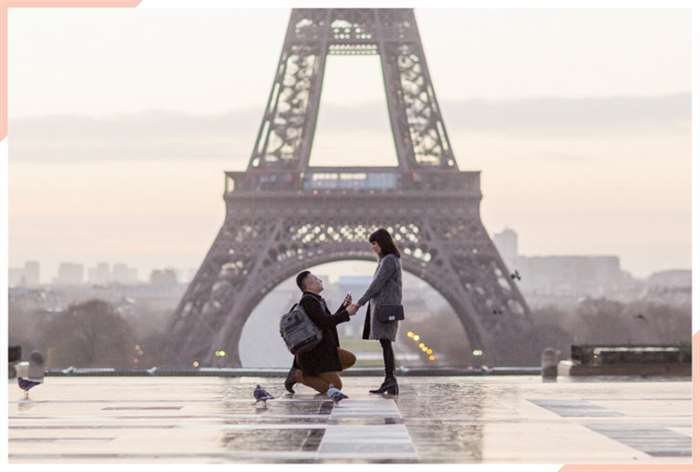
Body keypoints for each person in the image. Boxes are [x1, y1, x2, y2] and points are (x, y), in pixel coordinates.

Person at [284, 271, 358, 399]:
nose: (320, 281)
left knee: (350, 359)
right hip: (315, 354)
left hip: (322, 350)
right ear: (310, 284)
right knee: (336, 386)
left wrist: (343, 308)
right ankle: (298, 375)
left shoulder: (315, 300)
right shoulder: (309, 301)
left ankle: (319, 374)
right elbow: (324, 322)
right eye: (317, 279)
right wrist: (346, 314)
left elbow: (326, 321)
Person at [349, 228, 403, 395]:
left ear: (382, 243)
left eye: (374, 244)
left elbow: (377, 284)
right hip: (385, 307)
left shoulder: (388, 260)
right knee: (385, 343)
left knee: (385, 344)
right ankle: (390, 381)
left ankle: (390, 381)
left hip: (385, 308)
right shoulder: (389, 259)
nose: (373, 247)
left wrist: (359, 303)